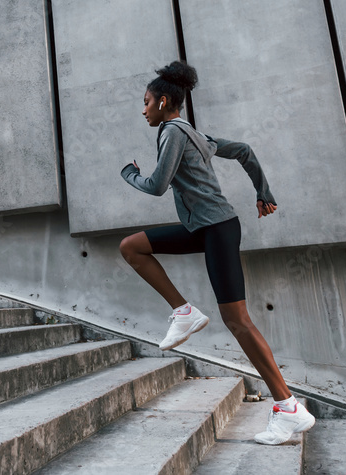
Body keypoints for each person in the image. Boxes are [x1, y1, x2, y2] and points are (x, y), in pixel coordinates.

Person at [119, 60, 314, 446]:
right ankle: (184, 311)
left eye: (145, 102)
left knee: (238, 321)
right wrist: (264, 191)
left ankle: (288, 408)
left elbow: (157, 185)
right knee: (132, 247)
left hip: (217, 229)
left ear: (162, 101)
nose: (142, 110)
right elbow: (242, 150)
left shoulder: (172, 132)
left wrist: (129, 174)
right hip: (205, 228)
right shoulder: (193, 133)